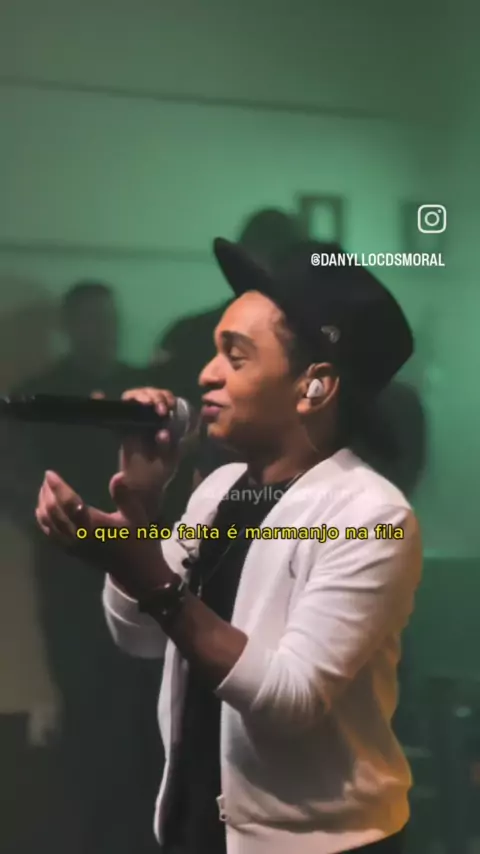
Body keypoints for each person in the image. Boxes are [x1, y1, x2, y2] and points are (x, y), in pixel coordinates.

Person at [35, 240, 423, 854]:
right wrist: (141, 512)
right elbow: (141, 636)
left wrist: (149, 576)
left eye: (235, 357)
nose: (206, 374)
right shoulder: (221, 489)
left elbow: (289, 700)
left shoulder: (370, 515)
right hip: (201, 826)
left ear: (315, 387)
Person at [7, 281, 162, 853]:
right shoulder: (39, 396)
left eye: (109, 319)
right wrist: (58, 525)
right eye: (93, 320)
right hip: (70, 569)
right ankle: (91, 828)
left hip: (138, 563)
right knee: (84, 697)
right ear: (70, 326)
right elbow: (13, 476)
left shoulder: (142, 393)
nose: (105, 330)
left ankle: (136, 826)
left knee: (141, 700)